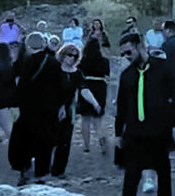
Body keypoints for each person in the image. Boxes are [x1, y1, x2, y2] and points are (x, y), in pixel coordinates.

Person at [106, 33, 175, 196]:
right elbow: (121, 108)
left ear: (140, 46)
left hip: (159, 129)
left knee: (163, 169)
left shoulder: (163, 70)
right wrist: (117, 134)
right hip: (134, 131)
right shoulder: (127, 75)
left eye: (129, 52)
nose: (127, 57)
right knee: (131, 172)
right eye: (124, 54)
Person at [10, 32, 66, 186]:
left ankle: (25, 169)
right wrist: (61, 106)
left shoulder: (25, 62)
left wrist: (15, 103)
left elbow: (19, 85)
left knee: (25, 139)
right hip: (49, 109)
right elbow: (60, 87)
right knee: (45, 141)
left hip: (29, 109)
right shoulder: (53, 62)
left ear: (28, 46)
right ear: (43, 44)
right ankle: (41, 173)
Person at [49, 42, 95, 178]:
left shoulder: (77, 74)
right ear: (63, 55)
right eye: (70, 55)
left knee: (65, 141)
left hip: (69, 110)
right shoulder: (55, 70)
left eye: (75, 56)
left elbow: (84, 89)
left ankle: (59, 171)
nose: (72, 58)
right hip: (52, 108)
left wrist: (95, 103)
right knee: (51, 140)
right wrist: (58, 106)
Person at [79, 39, 111, 153]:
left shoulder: (83, 60)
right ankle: (101, 140)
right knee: (98, 117)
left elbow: (79, 70)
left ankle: (86, 145)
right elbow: (108, 72)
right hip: (100, 86)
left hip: (86, 84)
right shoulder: (103, 60)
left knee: (85, 118)